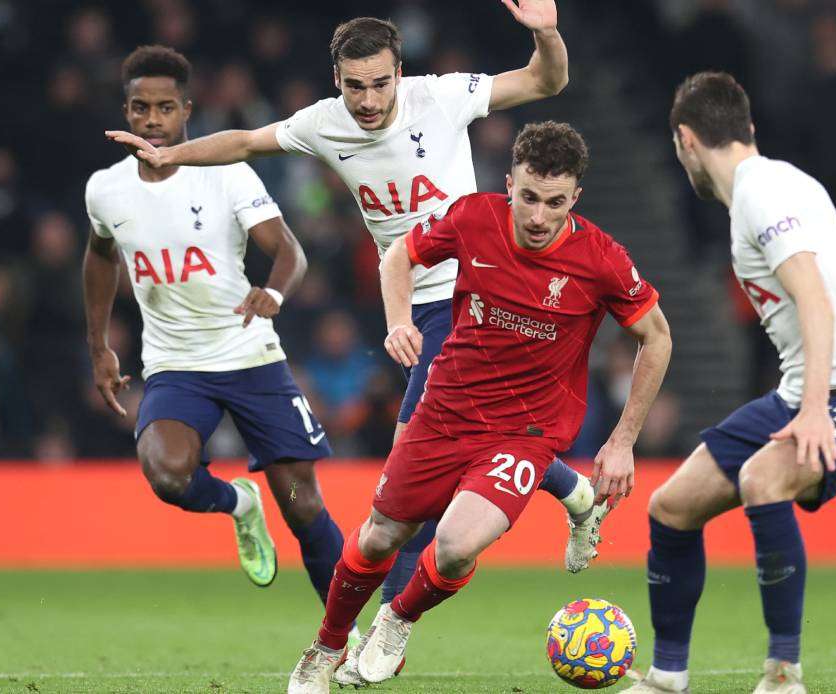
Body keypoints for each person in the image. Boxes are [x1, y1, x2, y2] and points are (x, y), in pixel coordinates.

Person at [105, 5, 610, 679]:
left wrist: (546, 31)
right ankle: (569, 488)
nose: (369, 101)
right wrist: (173, 153)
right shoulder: (323, 124)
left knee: (410, 470)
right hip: (414, 300)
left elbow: (544, 82)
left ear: (400, 73)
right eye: (354, 87)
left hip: (478, 292)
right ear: (336, 82)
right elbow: (247, 141)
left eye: (380, 83)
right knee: (449, 454)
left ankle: (384, 630)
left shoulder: (442, 96)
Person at [284, 121, 672, 692]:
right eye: (529, 198)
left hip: (526, 433)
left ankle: (396, 620)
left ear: (576, 198)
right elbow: (398, 256)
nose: (539, 217)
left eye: (556, 203)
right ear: (509, 183)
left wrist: (622, 441)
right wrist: (397, 321)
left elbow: (657, 338)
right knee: (378, 538)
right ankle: (326, 646)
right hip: (445, 412)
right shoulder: (472, 217)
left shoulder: (600, 259)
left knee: (457, 543)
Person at [626, 72, 836, 694]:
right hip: (802, 389)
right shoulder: (777, 183)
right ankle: (666, 678)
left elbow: (815, 299)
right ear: (747, 129)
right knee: (672, 507)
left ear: (685, 141)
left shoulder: (762, 194)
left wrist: (812, 410)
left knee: (763, 478)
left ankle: (784, 676)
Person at [84, 47, 344, 612]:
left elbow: (289, 252)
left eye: (165, 108)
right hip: (177, 368)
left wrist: (272, 292)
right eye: (140, 107)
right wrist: (99, 346)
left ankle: (347, 637)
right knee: (167, 475)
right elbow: (100, 256)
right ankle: (239, 505)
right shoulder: (106, 189)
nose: (152, 120)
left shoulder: (225, 174)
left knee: (302, 506)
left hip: (251, 359)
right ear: (125, 112)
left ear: (187, 111)